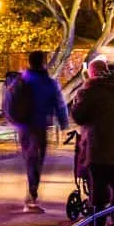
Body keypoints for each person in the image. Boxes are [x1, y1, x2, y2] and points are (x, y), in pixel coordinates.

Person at [69, 56, 114, 226]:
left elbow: (79, 116)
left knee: (98, 191)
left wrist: (75, 103)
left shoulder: (88, 92)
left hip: (97, 147)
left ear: (92, 73)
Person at [5, 49, 68, 212]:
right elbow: (59, 103)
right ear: (43, 63)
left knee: (30, 158)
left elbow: (9, 99)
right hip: (39, 126)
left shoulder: (21, 79)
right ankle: (32, 191)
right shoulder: (48, 82)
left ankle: (31, 188)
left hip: (24, 126)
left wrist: (12, 118)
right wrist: (64, 123)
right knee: (37, 159)